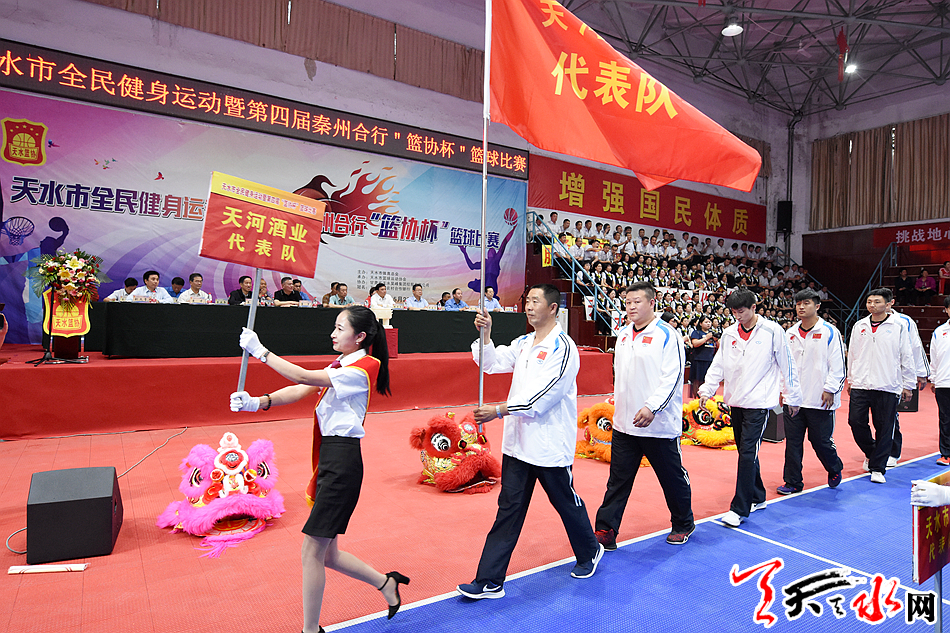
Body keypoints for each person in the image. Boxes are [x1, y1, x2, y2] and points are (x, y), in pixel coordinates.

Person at [230, 306, 405, 633]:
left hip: (342, 463)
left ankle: (311, 630)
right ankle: (386, 583)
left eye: (340, 328)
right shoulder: (342, 363)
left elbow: (303, 377)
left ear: (360, 336)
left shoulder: (365, 366)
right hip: (329, 458)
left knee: (311, 550)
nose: (333, 334)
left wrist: (261, 352)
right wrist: (257, 401)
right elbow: (301, 390)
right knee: (328, 555)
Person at [456, 285, 603, 599]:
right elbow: (491, 364)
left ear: (553, 308)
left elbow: (545, 396)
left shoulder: (564, 348)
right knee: (508, 509)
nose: (529, 306)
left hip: (548, 444)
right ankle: (489, 580)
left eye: (536, 301)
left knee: (565, 503)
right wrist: (486, 335)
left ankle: (589, 550)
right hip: (518, 444)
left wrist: (499, 410)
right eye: (528, 301)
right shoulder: (524, 343)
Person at [594, 282, 693, 549]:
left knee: (671, 478)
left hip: (657, 425)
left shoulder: (667, 335)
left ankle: (683, 522)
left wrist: (652, 407)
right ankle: (606, 529)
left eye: (637, 302)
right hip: (625, 424)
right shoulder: (624, 334)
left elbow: (673, 378)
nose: (631, 307)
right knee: (618, 480)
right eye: (628, 302)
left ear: (652, 303)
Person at [698, 289, 801, 528]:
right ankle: (757, 495)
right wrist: (706, 389)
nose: (738, 316)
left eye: (741, 311)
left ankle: (739, 508)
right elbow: (718, 364)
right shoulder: (729, 333)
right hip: (735, 401)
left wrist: (792, 396)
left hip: (760, 403)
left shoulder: (772, 331)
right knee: (746, 452)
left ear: (754, 307)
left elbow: (787, 365)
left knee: (747, 453)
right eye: (734, 312)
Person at [776, 289, 845, 495]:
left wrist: (830, 389)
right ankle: (793, 482)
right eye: (798, 303)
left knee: (820, 441)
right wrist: (783, 391)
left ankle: (834, 467)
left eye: (806, 303)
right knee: (793, 443)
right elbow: (784, 365)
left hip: (820, 398)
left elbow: (838, 365)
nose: (801, 307)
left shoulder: (830, 332)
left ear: (817, 306)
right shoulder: (789, 333)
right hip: (795, 399)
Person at [846, 287, 915, 484]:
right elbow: (852, 354)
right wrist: (851, 379)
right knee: (855, 421)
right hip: (861, 383)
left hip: (887, 384)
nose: (872, 305)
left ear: (888, 304)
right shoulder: (859, 325)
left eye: (877, 302)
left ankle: (877, 468)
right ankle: (872, 452)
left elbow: (906, 355)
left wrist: (908, 384)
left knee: (884, 427)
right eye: (869, 302)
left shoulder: (898, 326)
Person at [931, 296, 950, 465]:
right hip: (944, 382)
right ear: (947, 310)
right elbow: (934, 358)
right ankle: (946, 453)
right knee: (945, 418)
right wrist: (934, 378)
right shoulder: (939, 331)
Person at [688, 316, 717, 399]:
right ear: (700, 323)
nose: (708, 324)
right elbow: (695, 344)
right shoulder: (696, 332)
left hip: (710, 359)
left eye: (709, 322)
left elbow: (718, 346)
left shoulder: (712, 333)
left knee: (710, 380)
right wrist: (706, 338)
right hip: (699, 359)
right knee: (698, 380)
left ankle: (709, 397)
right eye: (706, 322)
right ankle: (696, 398)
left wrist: (716, 339)